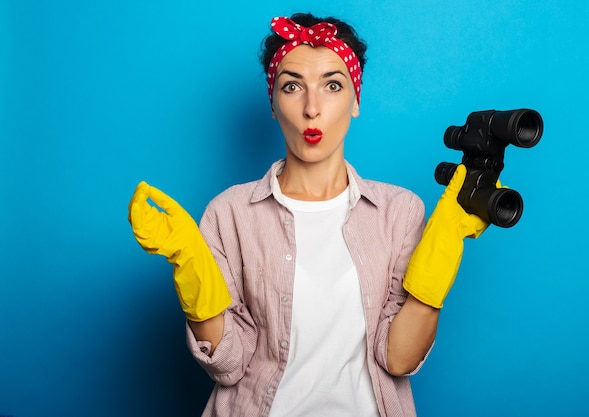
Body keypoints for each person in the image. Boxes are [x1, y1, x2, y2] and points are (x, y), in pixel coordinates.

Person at [128, 12, 490, 417]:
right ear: (273, 104)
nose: (312, 108)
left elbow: (400, 358)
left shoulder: (400, 212)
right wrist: (189, 261)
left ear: (356, 100)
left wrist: (445, 244)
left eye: (332, 85)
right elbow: (227, 365)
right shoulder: (228, 214)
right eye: (292, 86)